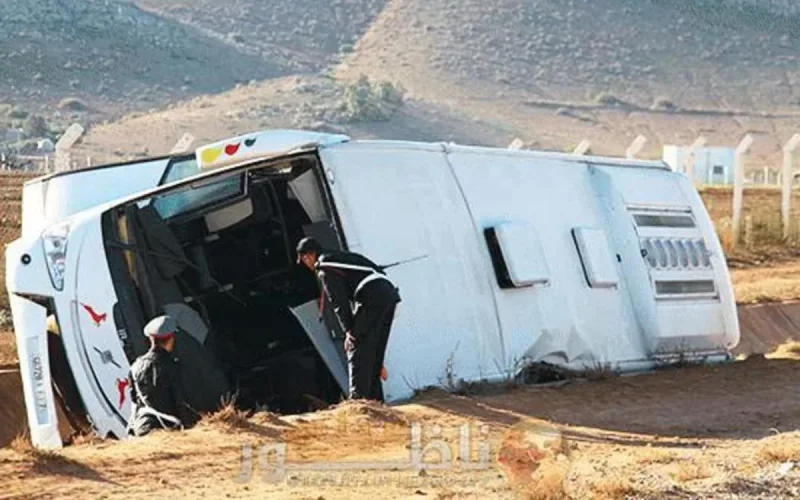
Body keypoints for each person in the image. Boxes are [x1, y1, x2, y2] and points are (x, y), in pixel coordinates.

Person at [296, 236, 401, 402]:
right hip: (388, 294)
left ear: (307, 256)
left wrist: (349, 331)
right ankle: (376, 403)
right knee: (374, 352)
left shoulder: (325, 267)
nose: (305, 264)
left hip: (371, 296)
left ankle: (359, 403)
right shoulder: (338, 256)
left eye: (303, 259)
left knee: (356, 347)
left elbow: (339, 301)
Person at [126, 315, 198, 437]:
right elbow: (180, 401)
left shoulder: (135, 366)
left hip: (142, 429)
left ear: (150, 339)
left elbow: (134, 400)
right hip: (166, 431)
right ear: (171, 338)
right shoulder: (171, 366)